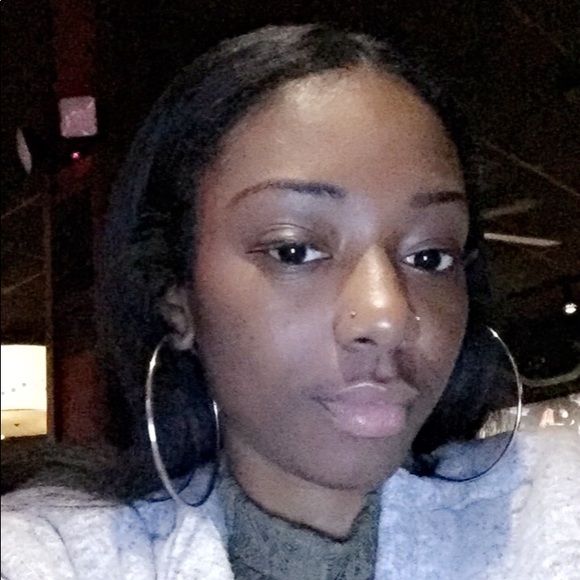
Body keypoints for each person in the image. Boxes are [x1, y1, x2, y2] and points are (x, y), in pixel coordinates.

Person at [1, 24, 578, 580]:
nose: (387, 315)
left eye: (430, 257)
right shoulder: (50, 555)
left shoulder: (554, 509)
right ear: (176, 297)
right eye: (294, 250)